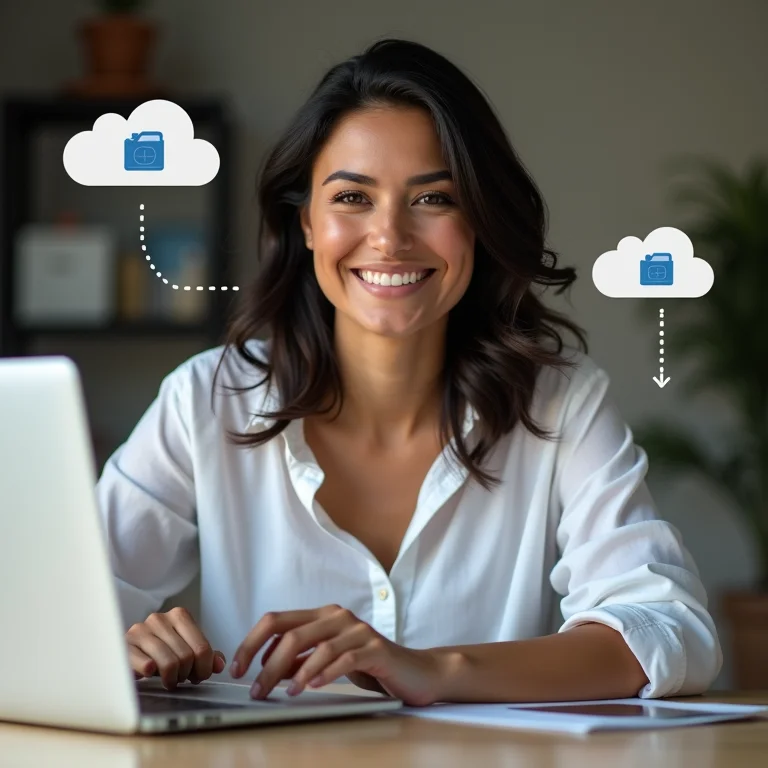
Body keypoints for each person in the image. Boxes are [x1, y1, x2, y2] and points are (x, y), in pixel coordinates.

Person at [95, 37, 722, 707]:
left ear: (479, 221)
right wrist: (118, 645)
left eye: (434, 200)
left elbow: (669, 629)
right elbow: (48, 608)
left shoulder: (562, 401)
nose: (390, 237)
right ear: (305, 221)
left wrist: (432, 669)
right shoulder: (205, 401)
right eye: (352, 198)